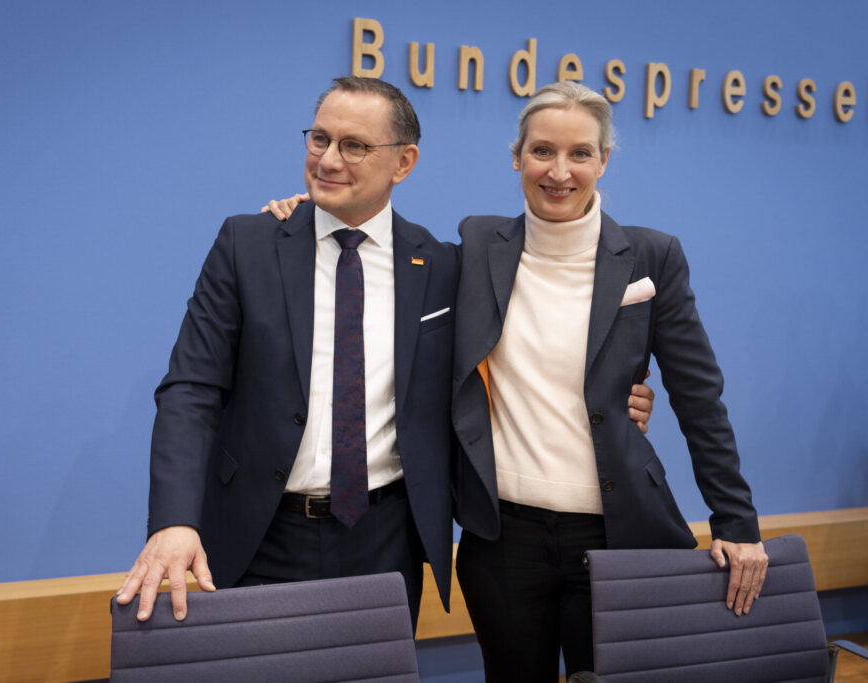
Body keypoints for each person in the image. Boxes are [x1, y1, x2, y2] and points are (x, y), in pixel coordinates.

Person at [118, 76, 654, 629]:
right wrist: (174, 520)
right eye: (320, 139)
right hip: (260, 535)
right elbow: (191, 390)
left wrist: (619, 395)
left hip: (387, 540)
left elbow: (522, 352)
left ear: (404, 162)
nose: (329, 160)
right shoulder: (247, 245)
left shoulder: (444, 266)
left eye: (354, 146)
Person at [450, 81, 768, 681]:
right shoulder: (475, 243)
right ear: (517, 157)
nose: (559, 172)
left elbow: (699, 398)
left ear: (603, 161)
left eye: (580, 153)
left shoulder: (652, 256)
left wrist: (736, 521)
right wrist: (302, 216)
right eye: (542, 151)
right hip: (503, 540)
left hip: (617, 534)